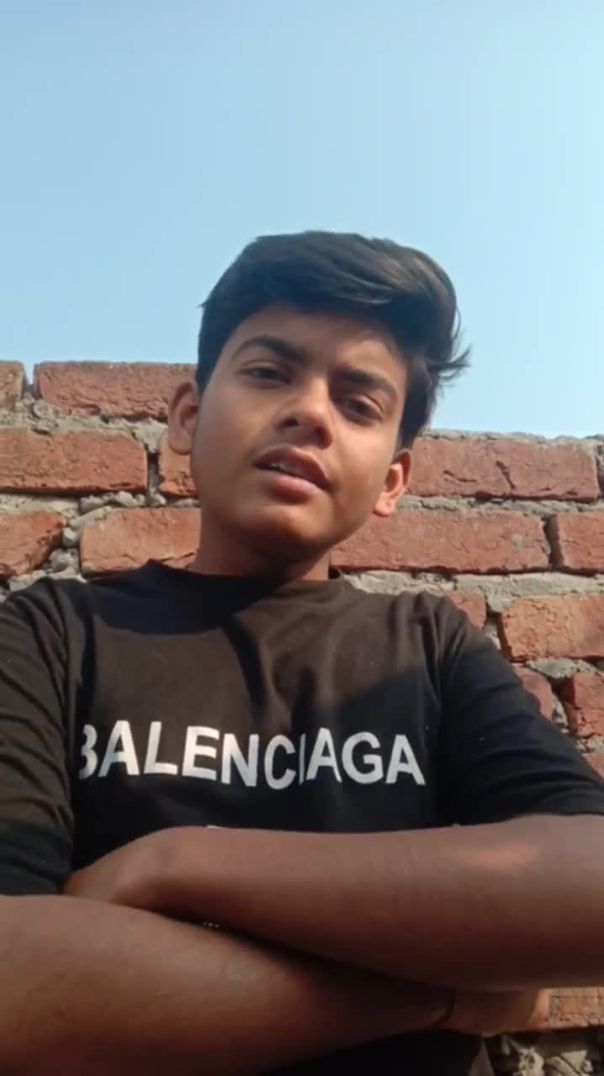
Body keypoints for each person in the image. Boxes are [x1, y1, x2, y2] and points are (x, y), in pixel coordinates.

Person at [1, 231, 603, 1076]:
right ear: (186, 417)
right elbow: (14, 983)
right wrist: (445, 996)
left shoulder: (425, 647)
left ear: (391, 482)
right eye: (268, 372)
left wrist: (181, 862)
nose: (311, 413)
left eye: (358, 404)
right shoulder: (53, 634)